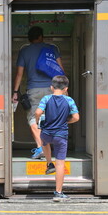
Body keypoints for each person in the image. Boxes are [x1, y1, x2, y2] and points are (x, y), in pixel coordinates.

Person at [12, 26, 65, 159]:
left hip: (33, 90)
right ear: (41, 37)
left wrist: (15, 92)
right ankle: (53, 147)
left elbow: (19, 74)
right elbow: (61, 70)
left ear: (29, 39)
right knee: (50, 118)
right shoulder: (51, 49)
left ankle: (41, 147)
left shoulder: (25, 51)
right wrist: (64, 89)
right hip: (51, 89)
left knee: (33, 118)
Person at [35, 75, 79, 201]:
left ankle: (49, 163)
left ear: (51, 87)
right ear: (66, 88)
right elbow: (76, 117)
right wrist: (66, 122)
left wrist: (38, 121)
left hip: (47, 133)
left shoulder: (46, 98)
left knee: (44, 140)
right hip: (61, 136)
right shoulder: (69, 100)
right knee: (60, 164)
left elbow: (38, 112)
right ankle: (58, 193)